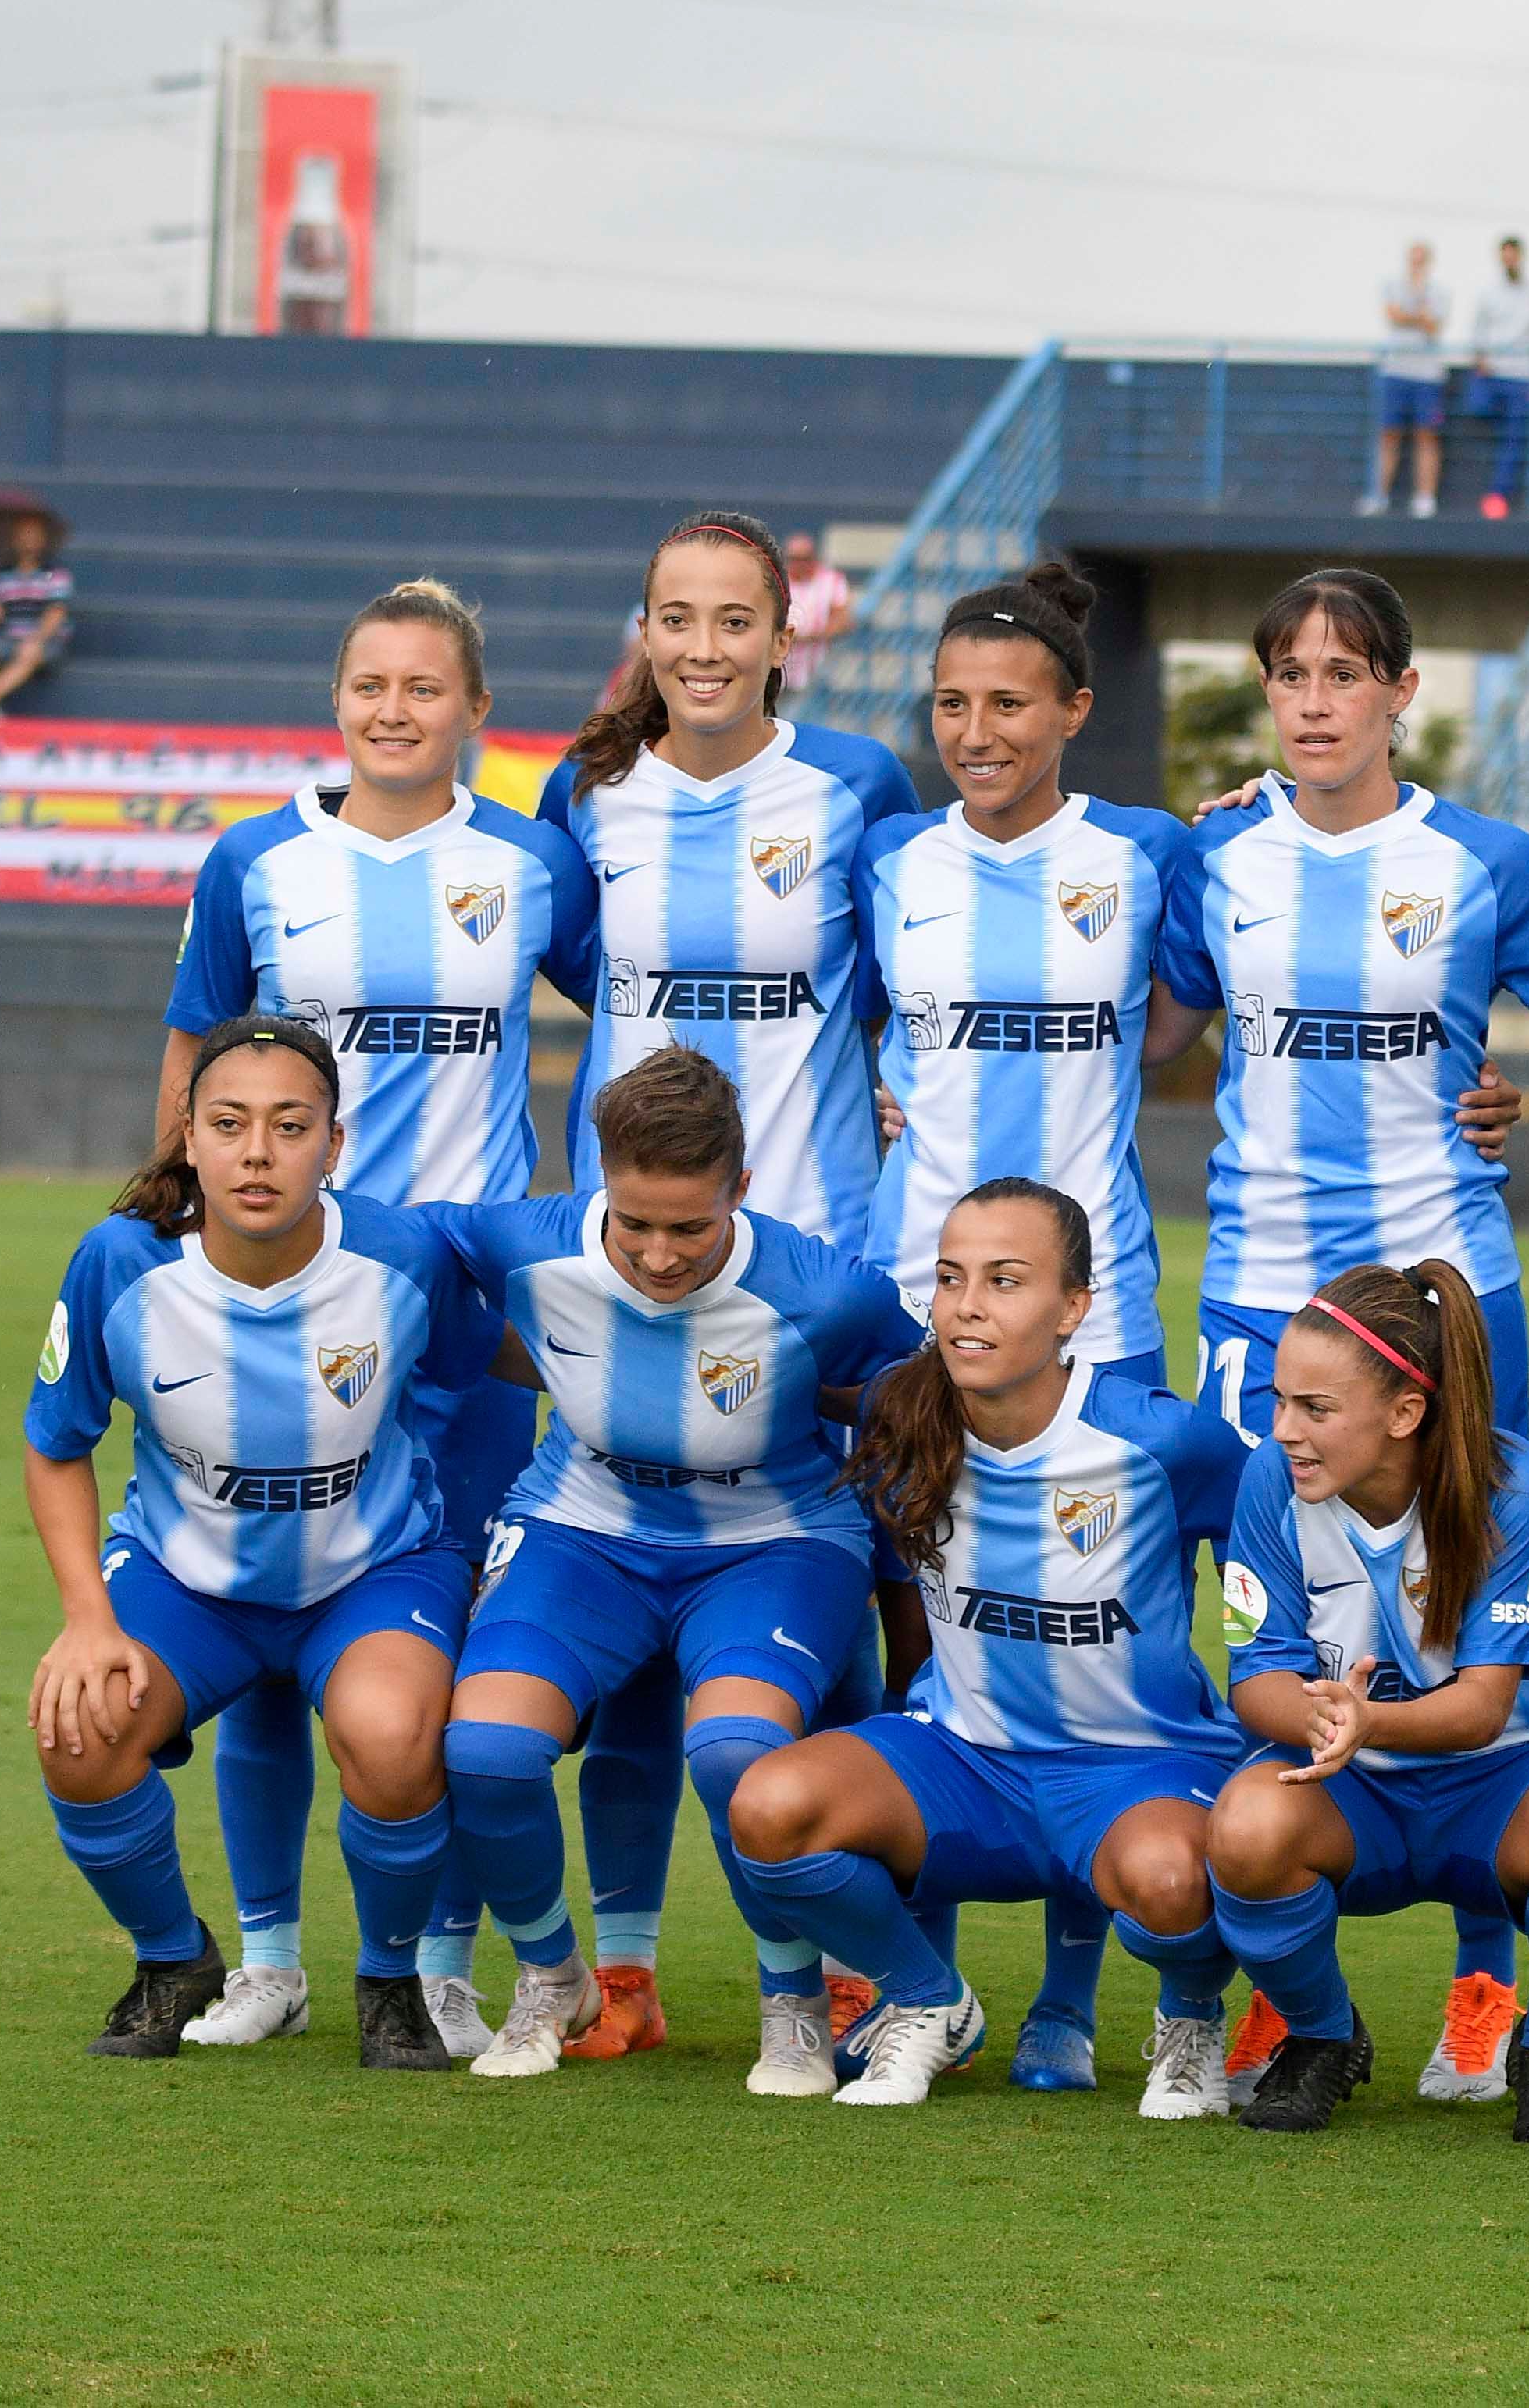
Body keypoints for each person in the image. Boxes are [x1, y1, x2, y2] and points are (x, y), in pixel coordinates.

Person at [160, 578, 602, 2055]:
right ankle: (271, 1957)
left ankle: (435, 1956)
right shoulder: (257, 861)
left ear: (477, 710)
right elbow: (196, 1048)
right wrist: (172, 1226)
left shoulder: (536, 863)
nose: (393, 710)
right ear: (336, 698)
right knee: (272, 1622)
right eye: (369, 684)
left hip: (465, 1311)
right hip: (280, 1296)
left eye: (425, 687)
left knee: (441, 1645)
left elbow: (643, 1017)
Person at [1156, 567, 1529, 2108]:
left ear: (1402, 693)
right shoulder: (1213, 854)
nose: (1316, 698)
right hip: (1259, 1288)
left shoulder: (1484, 861)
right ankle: (1272, 1984)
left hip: (1444, 1291)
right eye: (1289, 672)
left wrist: (1527, 1082)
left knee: (1465, 1604)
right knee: (1259, 1623)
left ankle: (1483, 1990)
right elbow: (1153, 1017)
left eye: (1345, 671)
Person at [544, 508, 919, 2061]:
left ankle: (838, 1964)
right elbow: (576, 972)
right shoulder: (590, 796)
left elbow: (912, 979)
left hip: (808, 1272)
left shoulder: (854, 788)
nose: (701, 648)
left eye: (732, 620)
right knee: (632, 1626)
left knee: (829, 1624)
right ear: (646, 631)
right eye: (674, 618)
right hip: (625, 1279)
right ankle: (623, 1972)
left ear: (783, 634)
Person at [421, 1047, 926, 2091]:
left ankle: (789, 1999)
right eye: (633, 1221)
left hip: (772, 1541)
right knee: (484, 1751)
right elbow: (392, 1247)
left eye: (688, 1226)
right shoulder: (523, 1240)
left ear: (739, 1188)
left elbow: (923, 1400)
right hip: (583, 1531)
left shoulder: (827, 1289)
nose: (656, 1255)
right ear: (597, 1179)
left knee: (738, 1756)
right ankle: (553, 1978)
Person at [858, 559, 1195, 2089]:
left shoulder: (1147, 852)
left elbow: (1192, 1003)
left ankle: (1070, 1993)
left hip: (1094, 1302)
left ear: (1072, 709)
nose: (975, 731)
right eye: (950, 703)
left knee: (1084, 1660)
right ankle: (921, 1981)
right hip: (914, 1308)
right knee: (924, 1634)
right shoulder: (884, 860)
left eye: (1007, 703)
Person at [23, 1014, 496, 2069]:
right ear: (186, 1136)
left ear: (333, 1145)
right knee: (76, 1725)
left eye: (290, 1126)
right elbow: (56, 1444)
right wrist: (85, 1621)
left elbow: (495, 1365)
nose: (257, 1151)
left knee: (389, 1732)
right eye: (228, 1123)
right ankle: (171, 1957)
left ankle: (390, 1980)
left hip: (371, 1574)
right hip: (187, 1583)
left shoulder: (400, 1253)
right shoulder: (119, 1261)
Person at [729, 1179, 1253, 2114]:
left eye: (1006, 1280)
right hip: (964, 1760)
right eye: (948, 1277)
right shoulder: (901, 1411)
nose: (968, 1304)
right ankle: (929, 2001)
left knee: (1175, 1880)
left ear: (1073, 1309)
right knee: (768, 1804)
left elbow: (1285, 1539)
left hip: (1131, 1769)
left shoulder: (1164, 1440)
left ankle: (1189, 2020)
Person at [1205, 1262, 1529, 2146]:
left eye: (1314, 1409)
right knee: (1243, 1829)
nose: (1283, 1430)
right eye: (1280, 1399)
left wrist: (1368, 1719)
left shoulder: (1514, 1486)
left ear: (1405, 1413)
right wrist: (1328, 1726)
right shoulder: (1268, 1479)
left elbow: (1483, 1710)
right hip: (1350, 1788)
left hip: (1497, 1778)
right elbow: (1254, 1677)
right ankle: (1324, 2035)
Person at [1466, 235, 1529, 521]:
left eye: (1513, 256)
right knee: (1478, 410)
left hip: (1524, 375)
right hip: (1493, 373)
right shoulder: (1489, 293)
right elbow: (1478, 332)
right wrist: (1481, 361)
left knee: (1514, 438)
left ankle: (1498, 496)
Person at [1361, 241, 1451, 519]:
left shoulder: (1440, 291)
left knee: (1427, 435)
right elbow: (1394, 315)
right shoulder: (1391, 284)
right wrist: (1418, 315)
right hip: (1396, 370)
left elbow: (1433, 325)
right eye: (1414, 259)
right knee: (1389, 434)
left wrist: (1415, 312)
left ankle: (1425, 498)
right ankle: (1379, 495)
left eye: (1422, 259)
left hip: (1427, 374)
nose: (1417, 264)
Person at [0, 511, 74, 714]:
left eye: (34, 536)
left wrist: (37, 639)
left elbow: (56, 613)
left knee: (29, 653)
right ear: (15, 540)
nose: (29, 541)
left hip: (46, 640)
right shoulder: (1, 575)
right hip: (9, 636)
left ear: (43, 540)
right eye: (24, 535)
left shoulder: (55, 573)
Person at [777, 532, 857, 696]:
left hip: (817, 668)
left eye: (804, 559)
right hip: (780, 668)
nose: (799, 564)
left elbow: (843, 619)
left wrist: (811, 636)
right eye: (794, 559)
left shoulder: (831, 580)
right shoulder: (776, 581)